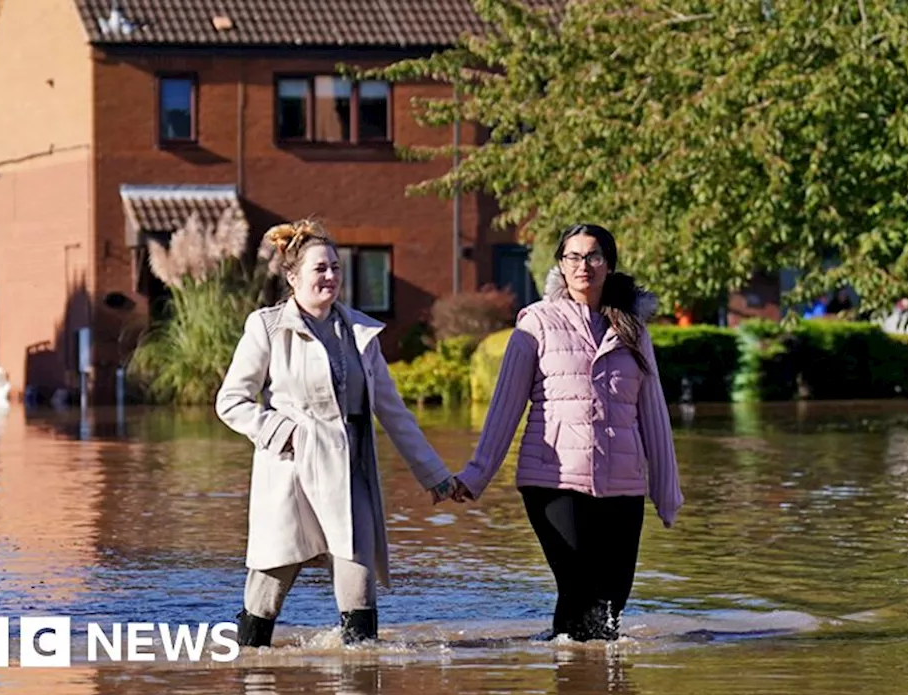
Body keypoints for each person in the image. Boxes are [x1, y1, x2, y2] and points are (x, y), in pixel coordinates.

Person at [216, 220, 459, 647]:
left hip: (351, 473)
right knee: (267, 589)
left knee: (358, 586)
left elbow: (394, 412)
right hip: (291, 472)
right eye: (319, 269)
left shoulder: (362, 333)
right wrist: (282, 432)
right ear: (292, 277)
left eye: (335, 268)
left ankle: (360, 690)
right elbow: (230, 401)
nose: (330, 277)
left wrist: (435, 475)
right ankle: (251, 674)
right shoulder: (266, 327)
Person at [448, 223, 683, 641]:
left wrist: (666, 491)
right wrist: (476, 475)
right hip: (553, 481)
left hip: (623, 485)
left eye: (593, 256)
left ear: (608, 264)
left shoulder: (633, 330)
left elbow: (653, 415)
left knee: (613, 600)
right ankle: (572, 686)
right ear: (560, 265)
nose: (583, 266)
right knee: (578, 590)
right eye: (573, 257)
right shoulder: (536, 324)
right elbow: (505, 408)